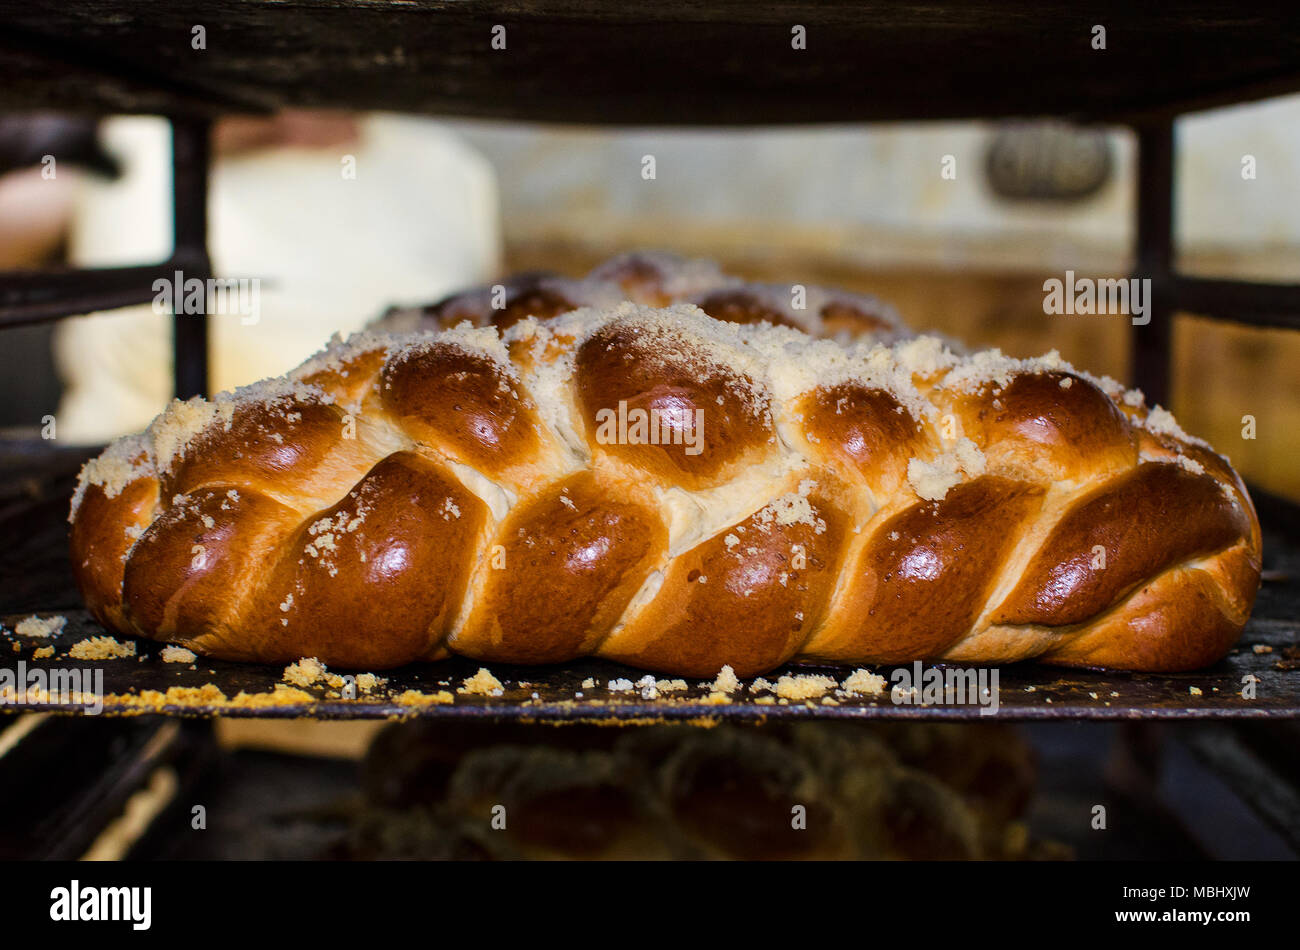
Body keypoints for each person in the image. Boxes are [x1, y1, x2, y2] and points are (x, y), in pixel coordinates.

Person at [54, 111, 501, 442]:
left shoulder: (448, 166)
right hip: (123, 474)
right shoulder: (141, 136)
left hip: (377, 504)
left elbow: (485, 350)